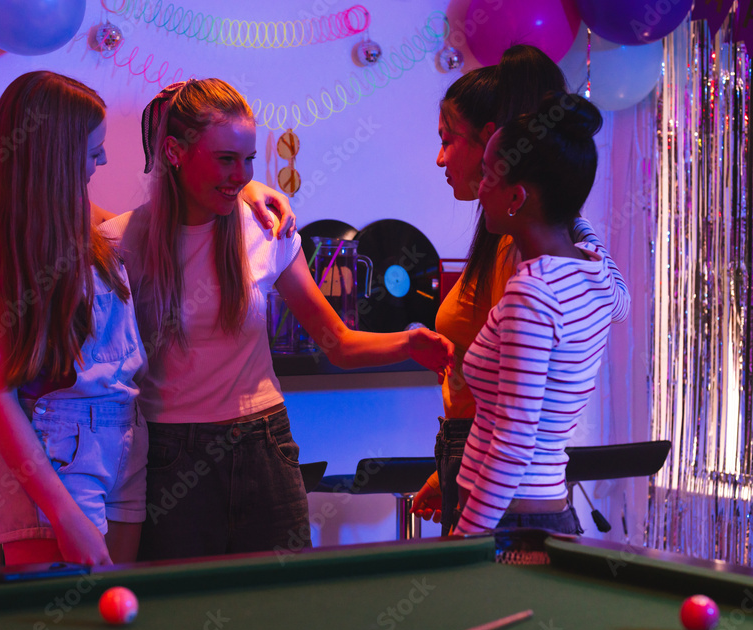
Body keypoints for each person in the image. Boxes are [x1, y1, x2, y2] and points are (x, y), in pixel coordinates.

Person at [0, 72, 298, 567]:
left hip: (123, 438)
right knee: (68, 624)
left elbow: (162, 216)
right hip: (58, 446)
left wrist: (237, 183)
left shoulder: (65, 214)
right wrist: (62, 512)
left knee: (119, 611)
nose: (104, 161)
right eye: (93, 151)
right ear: (53, 151)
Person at [103, 78, 453, 560]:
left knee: (285, 605)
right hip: (169, 454)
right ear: (173, 151)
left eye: (249, 161)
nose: (241, 176)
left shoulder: (266, 230)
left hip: (264, 442)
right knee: (179, 615)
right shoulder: (123, 242)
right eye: (226, 159)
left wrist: (409, 343)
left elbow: (338, 342)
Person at [412, 45, 610, 534]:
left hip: (506, 492)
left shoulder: (527, 274)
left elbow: (514, 425)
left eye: (447, 139)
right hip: (489, 470)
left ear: (489, 143)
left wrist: (468, 534)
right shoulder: (587, 271)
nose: (440, 158)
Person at [454, 91, 630, 534]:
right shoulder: (595, 270)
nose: (479, 188)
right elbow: (622, 300)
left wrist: (463, 540)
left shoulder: (533, 295)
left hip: (509, 518)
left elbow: (513, 443)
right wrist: (574, 216)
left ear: (515, 195)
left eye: (487, 175)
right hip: (541, 507)